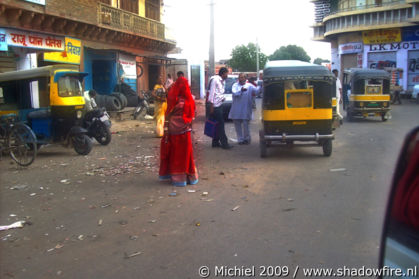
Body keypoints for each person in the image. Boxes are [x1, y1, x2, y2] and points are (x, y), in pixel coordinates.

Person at [159, 75, 198, 186]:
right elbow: (192, 116)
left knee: (175, 153)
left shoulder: (172, 98)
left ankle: (176, 178)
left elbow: (167, 114)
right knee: (186, 153)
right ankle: (188, 177)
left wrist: (166, 129)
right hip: (185, 130)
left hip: (173, 130)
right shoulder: (190, 99)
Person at [208, 67, 232, 149]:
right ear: (223, 73)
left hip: (219, 104)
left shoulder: (222, 81)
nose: (227, 75)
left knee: (217, 124)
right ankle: (225, 144)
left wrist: (222, 98)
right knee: (221, 124)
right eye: (226, 73)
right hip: (215, 106)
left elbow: (219, 93)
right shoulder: (215, 80)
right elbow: (212, 93)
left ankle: (215, 142)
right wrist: (211, 106)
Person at [229, 73, 254, 145]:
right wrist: (241, 90)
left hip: (246, 110)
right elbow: (235, 93)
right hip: (236, 109)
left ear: (246, 79)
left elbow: (257, 91)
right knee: (237, 125)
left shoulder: (249, 86)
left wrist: (262, 87)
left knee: (246, 125)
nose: (241, 79)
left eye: (243, 77)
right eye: (240, 77)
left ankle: (247, 139)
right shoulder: (235, 85)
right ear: (238, 78)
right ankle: (240, 140)